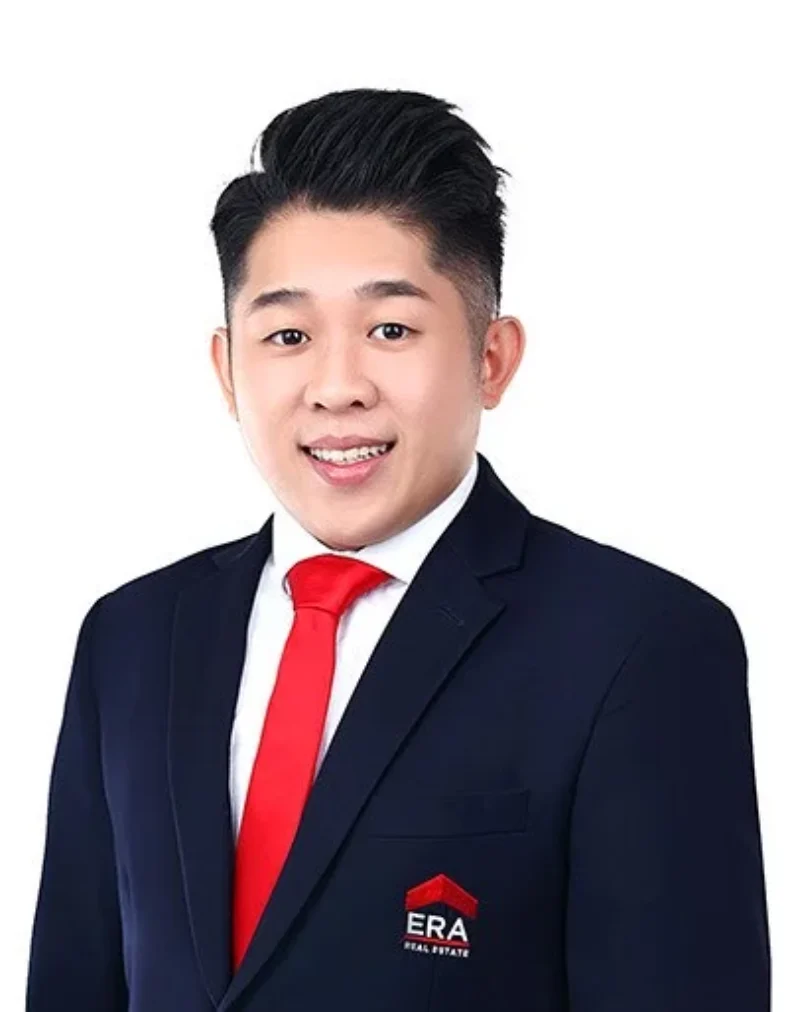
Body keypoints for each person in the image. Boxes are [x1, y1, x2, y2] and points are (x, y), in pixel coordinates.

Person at [26, 87, 770, 1011]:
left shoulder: (639, 643)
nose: (337, 387)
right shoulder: (132, 636)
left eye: (391, 330)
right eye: (288, 335)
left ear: (491, 358)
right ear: (227, 368)